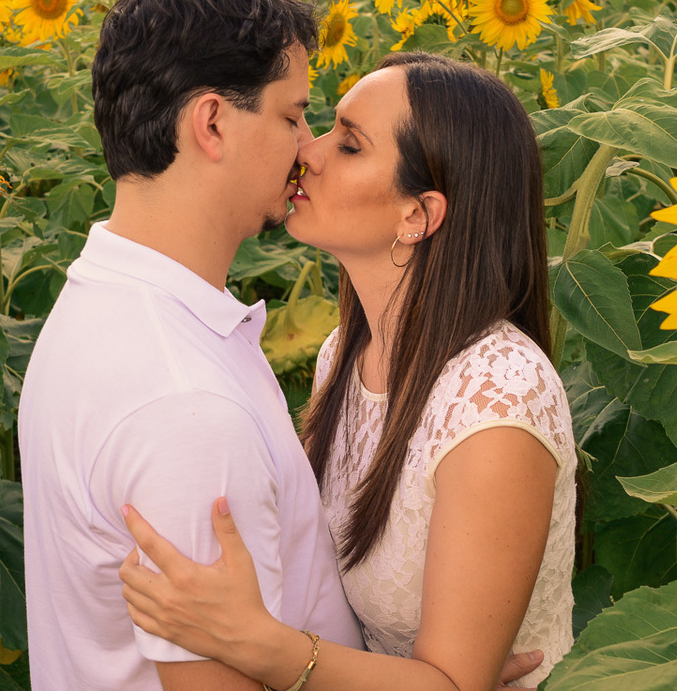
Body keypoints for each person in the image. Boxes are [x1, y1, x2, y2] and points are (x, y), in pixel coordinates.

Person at [118, 52, 577, 691]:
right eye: (326, 126)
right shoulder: (345, 355)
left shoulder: (496, 403)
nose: (309, 150)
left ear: (417, 216)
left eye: (351, 144)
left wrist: (256, 644)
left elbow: (450, 685)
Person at [17, 0, 366, 691]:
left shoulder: (104, 304)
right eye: (292, 113)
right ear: (211, 122)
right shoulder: (184, 406)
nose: (308, 145)